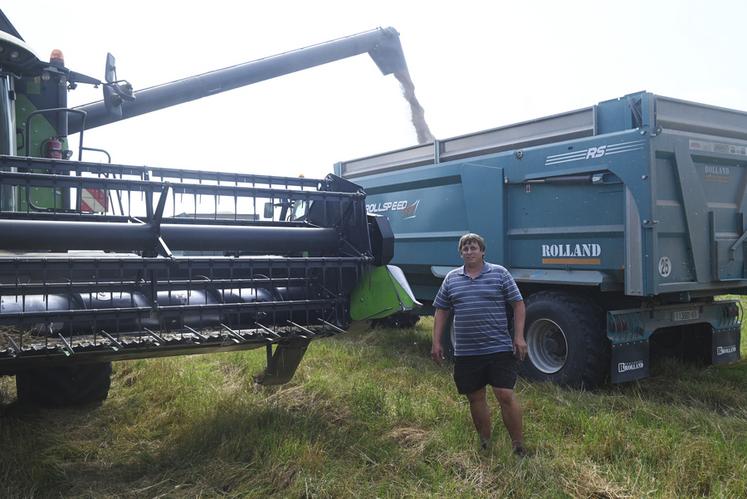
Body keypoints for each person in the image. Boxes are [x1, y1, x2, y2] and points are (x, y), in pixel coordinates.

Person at [431, 233, 527, 456]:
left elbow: (518, 304)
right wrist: (436, 342)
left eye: (473, 247)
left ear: (482, 251)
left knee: (504, 394)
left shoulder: (499, 274)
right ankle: (485, 443)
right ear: (460, 253)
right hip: (467, 351)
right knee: (475, 397)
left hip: (499, 348)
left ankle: (518, 445)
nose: (469, 251)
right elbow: (441, 310)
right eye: (465, 248)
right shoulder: (451, 279)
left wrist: (519, 336)